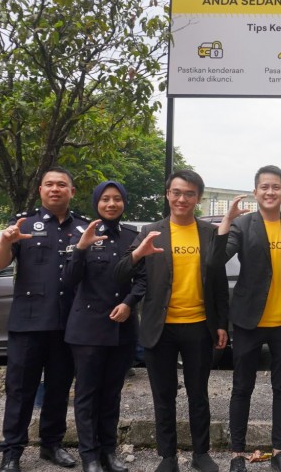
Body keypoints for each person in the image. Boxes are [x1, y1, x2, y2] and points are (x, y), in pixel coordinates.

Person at [114, 170, 229, 472]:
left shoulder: (207, 232)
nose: (182, 199)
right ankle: (167, 456)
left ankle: (201, 452)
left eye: (189, 193)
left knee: (198, 394)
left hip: (199, 326)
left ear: (198, 198)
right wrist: (139, 253)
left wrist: (221, 324)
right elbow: (121, 272)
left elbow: (217, 281)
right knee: (163, 395)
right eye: (176, 192)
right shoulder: (151, 230)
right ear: (167, 194)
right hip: (159, 328)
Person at [211, 165, 281, 472]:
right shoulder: (243, 226)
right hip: (247, 321)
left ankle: (279, 451)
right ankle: (237, 454)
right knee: (242, 387)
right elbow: (216, 262)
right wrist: (227, 221)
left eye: (276, 187)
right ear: (256, 192)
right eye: (264, 187)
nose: (270, 192)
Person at [0, 167, 90, 471]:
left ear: (71, 191)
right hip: (28, 323)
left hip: (67, 323)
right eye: (49, 184)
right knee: (20, 389)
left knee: (59, 388)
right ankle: (11, 451)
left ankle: (51, 444)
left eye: (62, 184)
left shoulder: (83, 228)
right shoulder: (24, 224)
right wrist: (6, 241)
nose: (55, 189)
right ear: (40, 190)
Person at [63, 181, 143, 472]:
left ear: (124, 203)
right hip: (87, 329)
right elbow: (69, 281)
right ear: (96, 203)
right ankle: (90, 456)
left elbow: (142, 278)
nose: (111, 204)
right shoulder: (81, 234)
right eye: (105, 199)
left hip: (122, 328)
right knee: (87, 394)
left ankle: (109, 452)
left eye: (117, 199)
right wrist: (81, 249)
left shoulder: (134, 237)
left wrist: (130, 302)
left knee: (112, 393)